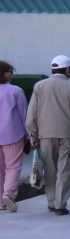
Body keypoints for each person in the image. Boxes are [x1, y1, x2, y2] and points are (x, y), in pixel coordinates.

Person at [24, 54, 70, 216]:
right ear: (67, 69)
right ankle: (60, 204)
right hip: (69, 135)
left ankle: (51, 201)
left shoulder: (39, 86)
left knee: (49, 169)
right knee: (65, 169)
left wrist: (33, 134)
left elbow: (32, 114)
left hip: (45, 134)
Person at [0, 60, 27, 212]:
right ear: (5, 73)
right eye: (9, 71)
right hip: (13, 134)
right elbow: (24, 114)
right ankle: (9, 194)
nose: (11, 74)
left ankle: (0, 202)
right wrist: (30, 134)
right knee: (13, 166)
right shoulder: (15, 91)